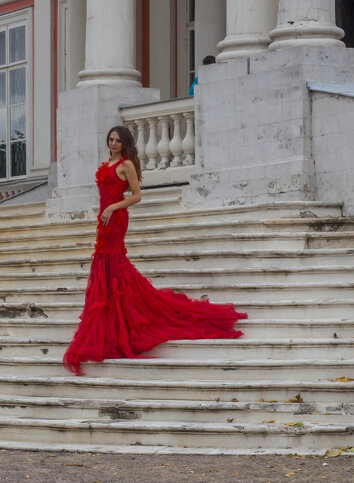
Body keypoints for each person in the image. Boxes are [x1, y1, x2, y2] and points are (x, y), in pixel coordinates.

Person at [62, 125, 247, 374]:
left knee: (113, 261)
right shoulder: (107, 163)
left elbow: (137, 196)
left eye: (118, 140)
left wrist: (113, 207)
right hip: (104, 219)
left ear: (125, 143)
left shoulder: (126, 165)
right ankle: (112, 316)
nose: (113, 143)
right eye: (111, 139)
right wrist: (105, 211)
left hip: (115, 219)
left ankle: (122, 316)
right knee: (106, 262)